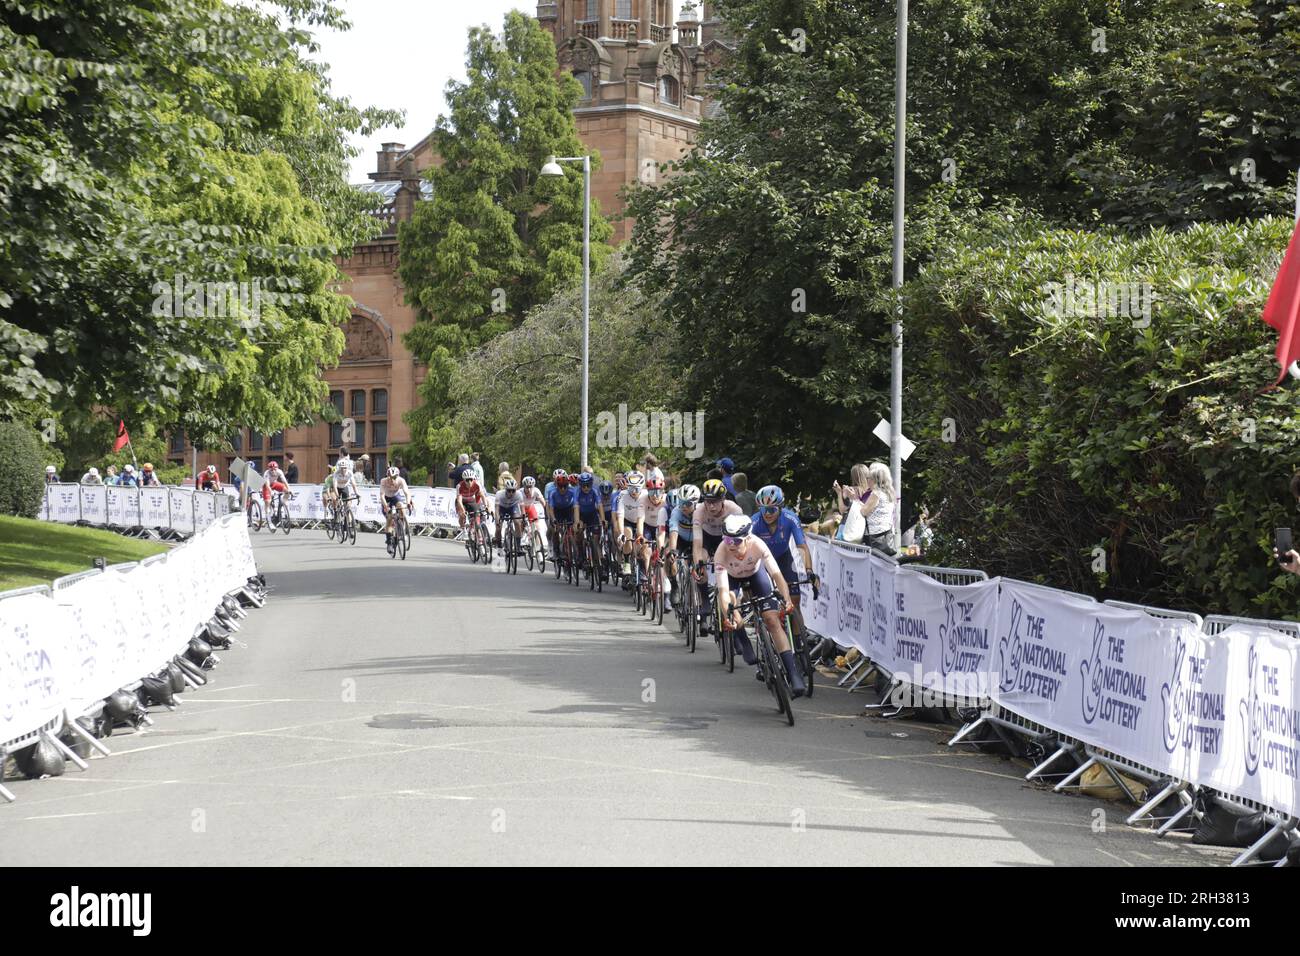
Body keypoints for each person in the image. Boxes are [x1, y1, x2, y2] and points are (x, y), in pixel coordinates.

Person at [715, 513, 806, 697]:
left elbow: (777, 575)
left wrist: (786, 599)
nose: (731, 545)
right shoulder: (721, 551)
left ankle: (793, 672)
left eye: (737, 541)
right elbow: (724, 591)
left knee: (772, 621)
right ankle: (743, 638)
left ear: (748, 538)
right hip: (733, 580)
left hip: (756, 576)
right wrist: (728, 615)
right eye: (727, 540)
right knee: (731, 604)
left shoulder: (757, 544)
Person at [753, 484, 817, 641]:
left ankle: (798, 641)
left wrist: (809, 570)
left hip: (783, 558)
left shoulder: (790, 518)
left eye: (771, 510)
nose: (767, 514)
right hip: (762, 562)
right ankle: (765, 635)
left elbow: (801, 546)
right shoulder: (754, 522)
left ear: (780, 508)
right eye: (763, 509)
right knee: (765, 601)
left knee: (794, 601)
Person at [691, 478, 744, 631]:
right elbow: (697, 543)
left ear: (723, 500)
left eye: (715, 501)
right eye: (708, 501)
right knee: (700, 563)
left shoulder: (734, 510)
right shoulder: (699, 511)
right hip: (707, 538)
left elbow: (741, 541)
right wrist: (698, 564)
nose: (711, 506)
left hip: (726, 540)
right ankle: (705, 602)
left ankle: (733, 614)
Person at [834, 462, 896, 554]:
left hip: (874, 536)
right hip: (886, 533)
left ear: (875, 479)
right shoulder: (889, 492)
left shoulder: (876, 493)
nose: (867, 481)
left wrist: (854, 498)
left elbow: (863, 512)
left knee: (874, 563)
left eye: (869, 478)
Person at [666, 483, 701, 606]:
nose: (683, 507)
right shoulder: (676, 511)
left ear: (696, 503)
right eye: (681, 503)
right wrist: (672, 550)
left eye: (688, 504)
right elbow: (673, 531)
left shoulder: (701, 511)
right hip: (681, 540)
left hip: (698, 541)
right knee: (670, 558)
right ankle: (674, 585)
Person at [547, 473, 578, 563]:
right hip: (557, 511)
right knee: (555, 529)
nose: (563, 489)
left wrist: (576, 520)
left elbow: (576, 506)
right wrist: (553, 519)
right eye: (560, 486)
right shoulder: (552, 492)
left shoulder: (572, 491)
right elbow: (551, 509)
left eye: (565, 486)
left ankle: (572, 547)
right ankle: (556, 551)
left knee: (573, 528)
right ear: (557, 486)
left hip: (568, 510)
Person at [380, 466, 410, 553]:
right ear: (387, 476)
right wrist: (386, 506)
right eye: (390, 477)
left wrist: (408, 502)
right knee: (389, 518)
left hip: (395, 497)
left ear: (397, 476)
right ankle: (389, 543)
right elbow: (382, 495)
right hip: (386, 498)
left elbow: (407, 492)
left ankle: (401, 531)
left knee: (401, 508)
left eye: (394, 477)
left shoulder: (401, 480)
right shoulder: (383, 481)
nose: (391, 479)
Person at [494, 477, 527, 550]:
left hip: (512, 507)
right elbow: (496, 509)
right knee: (498, 527)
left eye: (513, 491)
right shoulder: (499, 494)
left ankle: (518, 546)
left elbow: (522, 507)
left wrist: (523, 516)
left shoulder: (519, 494)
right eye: (509, 491)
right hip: (501, 508)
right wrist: (497, 520)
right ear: (505, 489)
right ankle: (499, 545)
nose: (511, 493)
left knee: (517, 523)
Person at [520, 476, 549, 555]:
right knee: (522, 523)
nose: (529, 489)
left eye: (530, 487)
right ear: (524, 487)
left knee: (537, 526)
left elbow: (543, 502)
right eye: (527, 487)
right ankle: (521, 539)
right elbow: (521, 506)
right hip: (520, 508)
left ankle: (538, 546)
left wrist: (547, 513)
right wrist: (523, 517)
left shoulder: (536, 491)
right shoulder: (520, 492)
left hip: (530, 507)